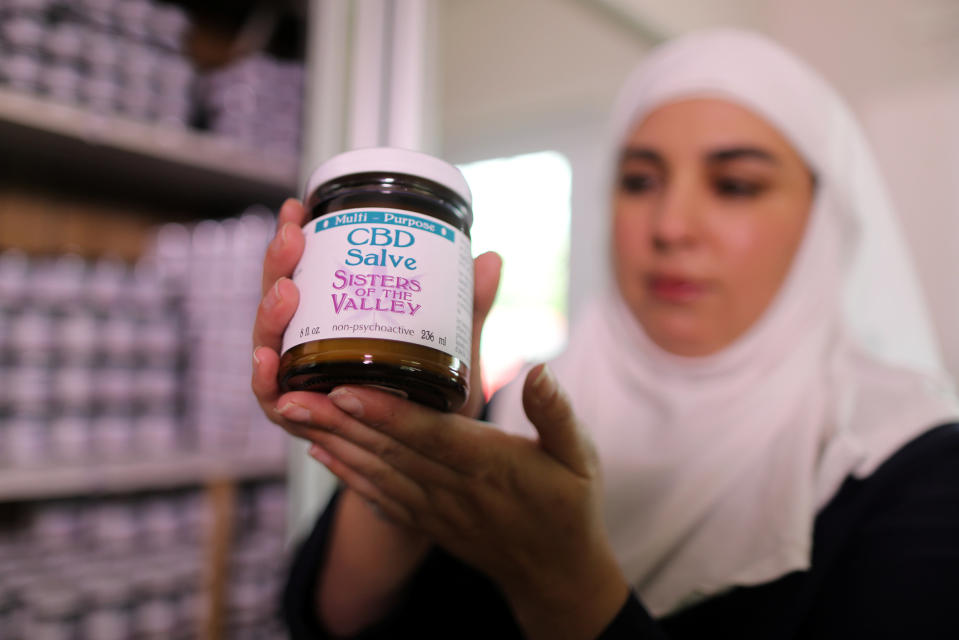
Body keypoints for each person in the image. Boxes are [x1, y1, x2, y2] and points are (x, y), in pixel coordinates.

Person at [251, 29, 959, 639]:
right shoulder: (517, 415)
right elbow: (330, 622)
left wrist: (563, 581)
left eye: (734, 186)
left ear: (822, 223)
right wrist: (404, 449)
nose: (669, 227)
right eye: (639, 180)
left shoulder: (915, 469)